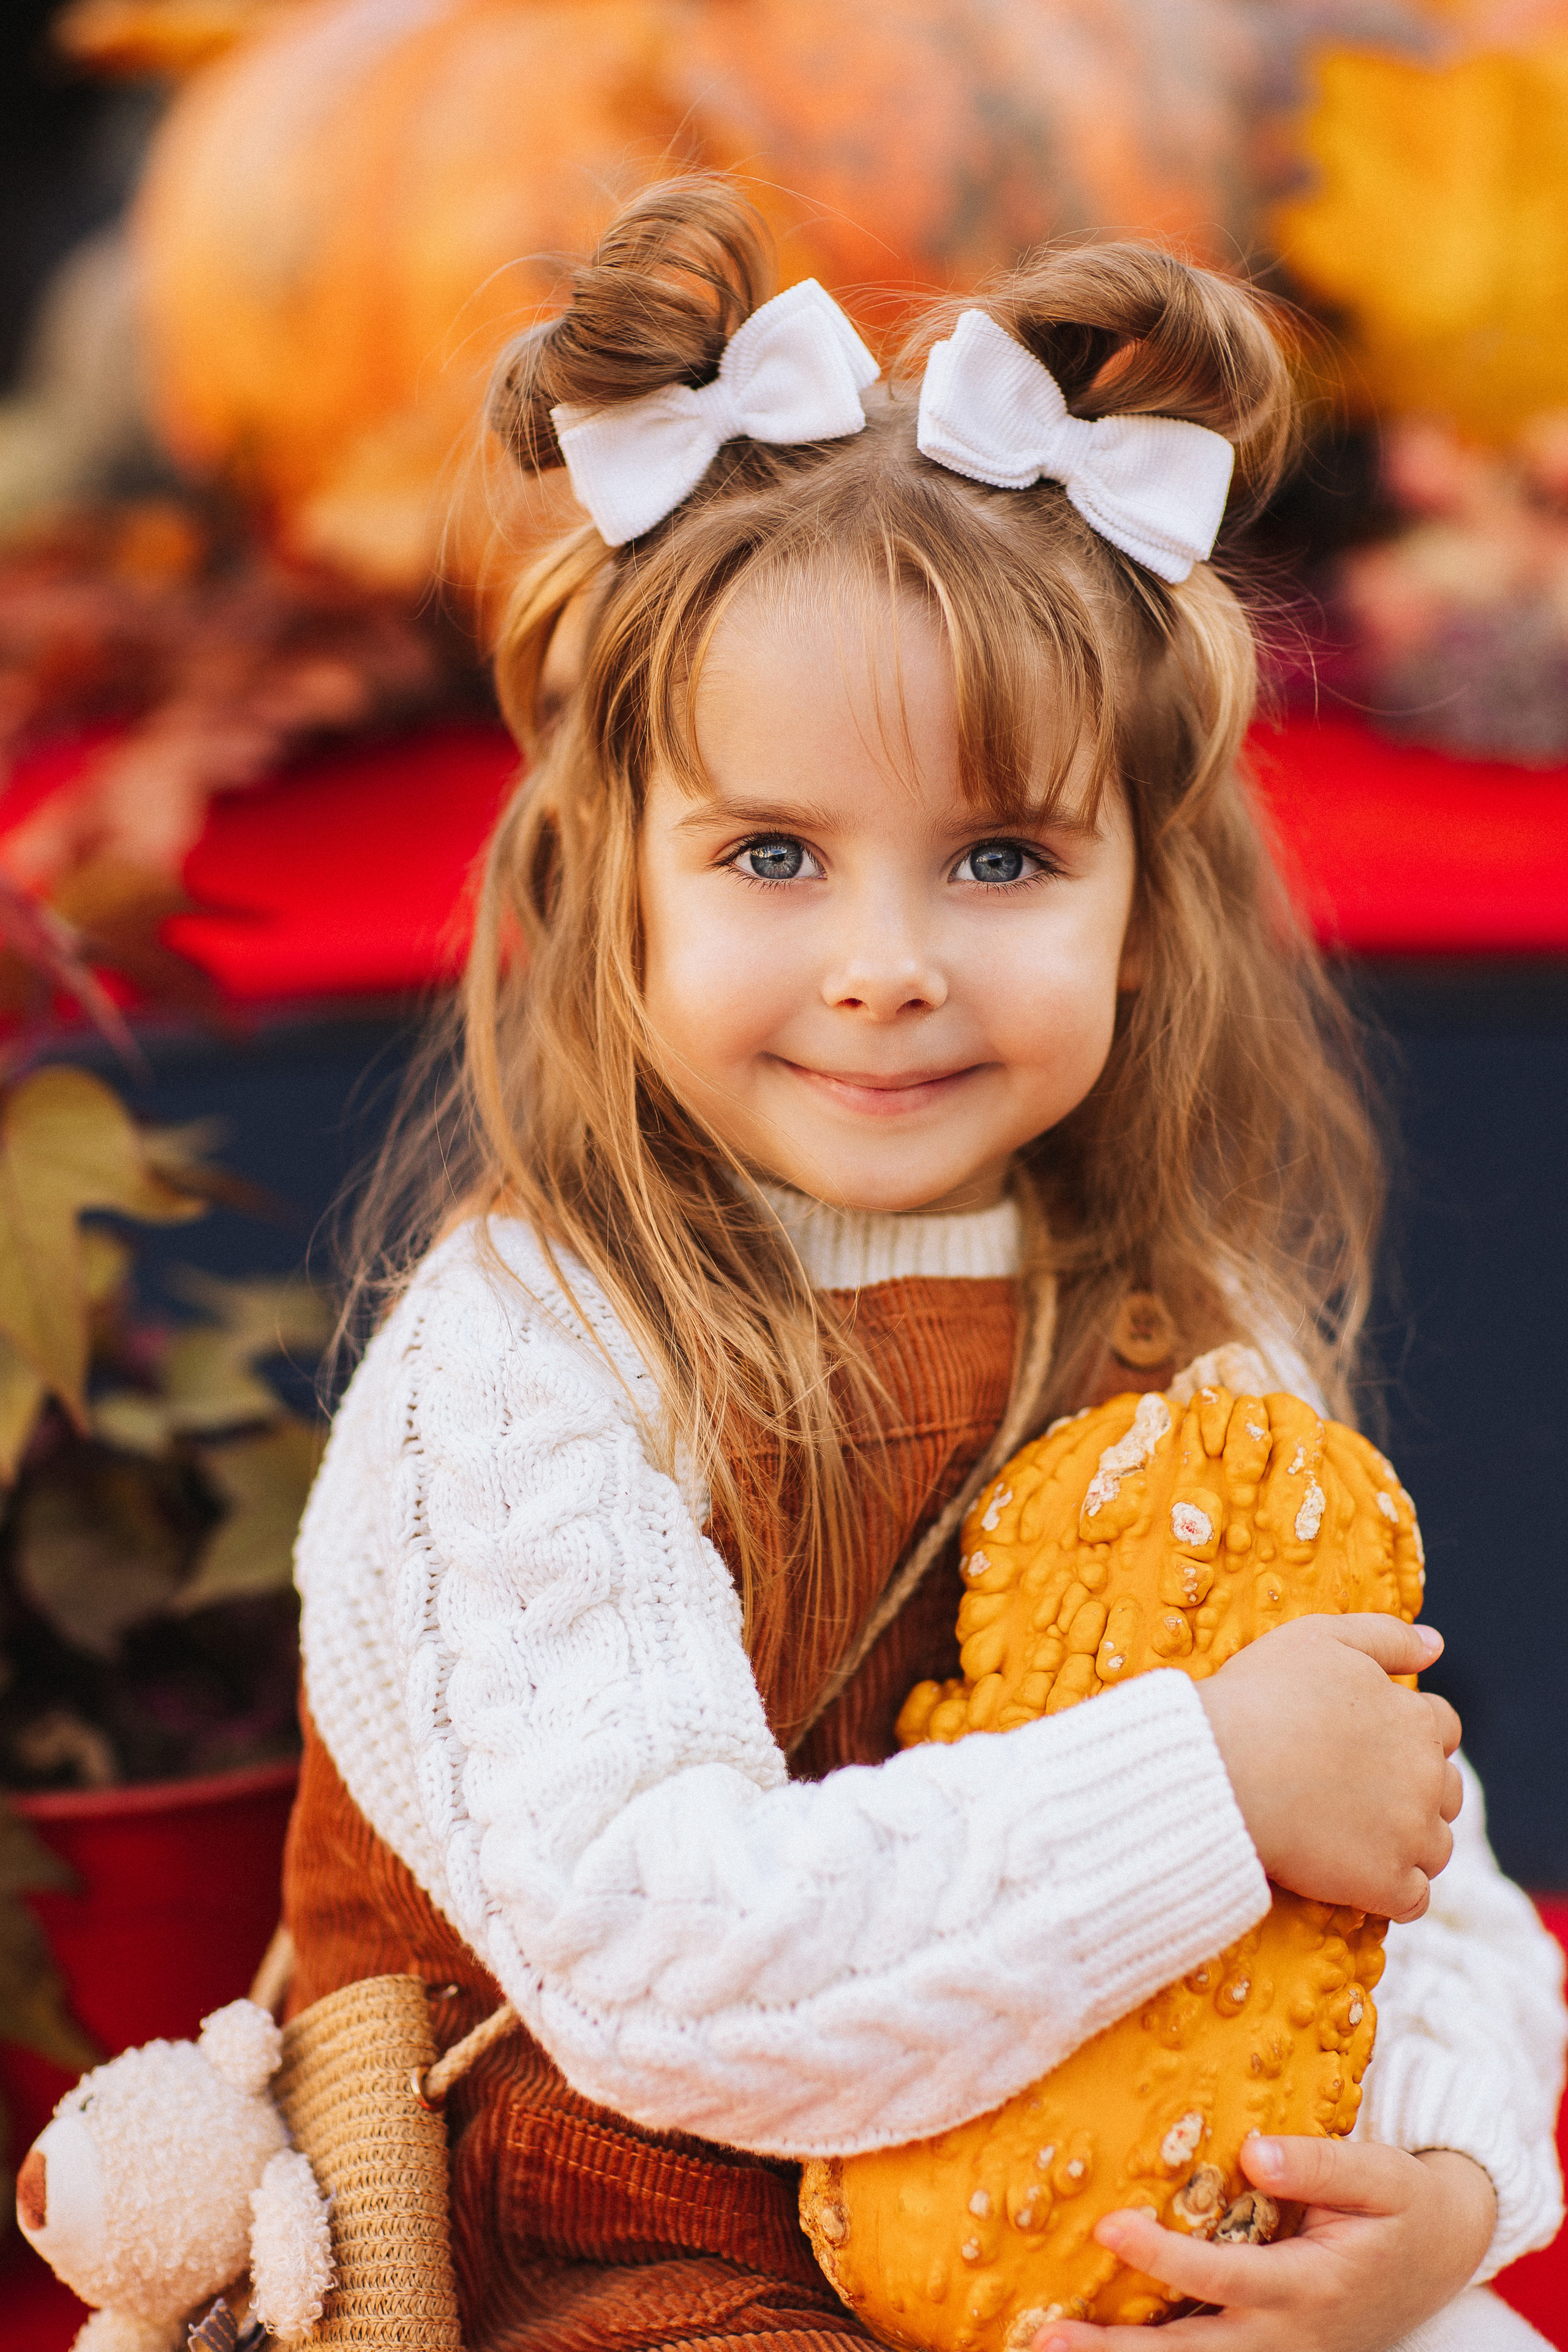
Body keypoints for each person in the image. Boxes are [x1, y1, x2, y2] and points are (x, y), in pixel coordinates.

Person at [284, 178, 1565, 2352]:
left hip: (1093, 2208)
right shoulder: (530, 1359)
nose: (885, 969)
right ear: (622, 896)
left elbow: (1414, 1864)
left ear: (1145, 905)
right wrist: (1205, 1786)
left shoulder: (1183, 1332)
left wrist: (1430, 2195)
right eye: (774, 854)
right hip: (634, 2243)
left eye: (998, 857)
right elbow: (655, 1964)